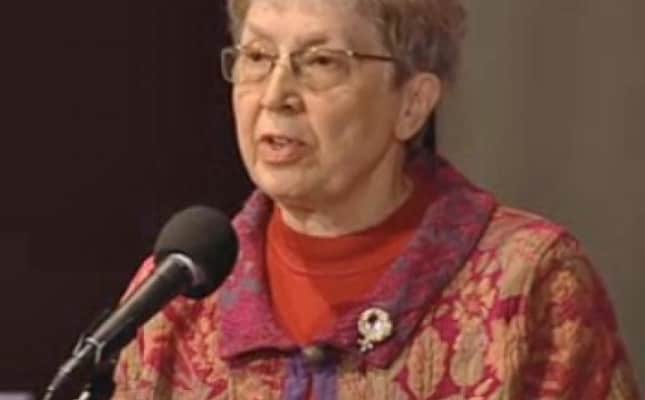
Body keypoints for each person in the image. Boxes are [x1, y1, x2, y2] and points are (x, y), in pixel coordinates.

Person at [112, 0, 640, 398]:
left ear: (412, 104)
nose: (275, 96)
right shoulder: (176, 294)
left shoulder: (527, 284)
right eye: (257, 57)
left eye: (321, 62)